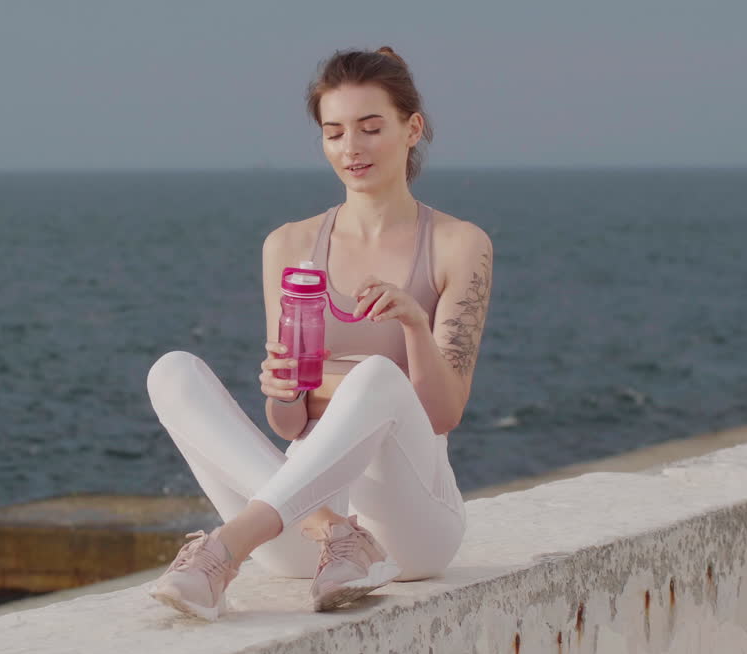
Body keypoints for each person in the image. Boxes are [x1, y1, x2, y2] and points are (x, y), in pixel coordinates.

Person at [145, 46, 493, 620]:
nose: (351, 148)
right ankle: (332, 529)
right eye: (334, 133)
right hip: (305, 538)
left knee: (379, 376)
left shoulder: (459, 244)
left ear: (413, 129)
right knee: (172, 372)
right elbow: (290, 424)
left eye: (370, 127)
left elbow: (442, 413)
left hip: (412, 531)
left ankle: (225, 548)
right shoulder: (288, 246)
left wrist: (411, 324)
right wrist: (284, 392)